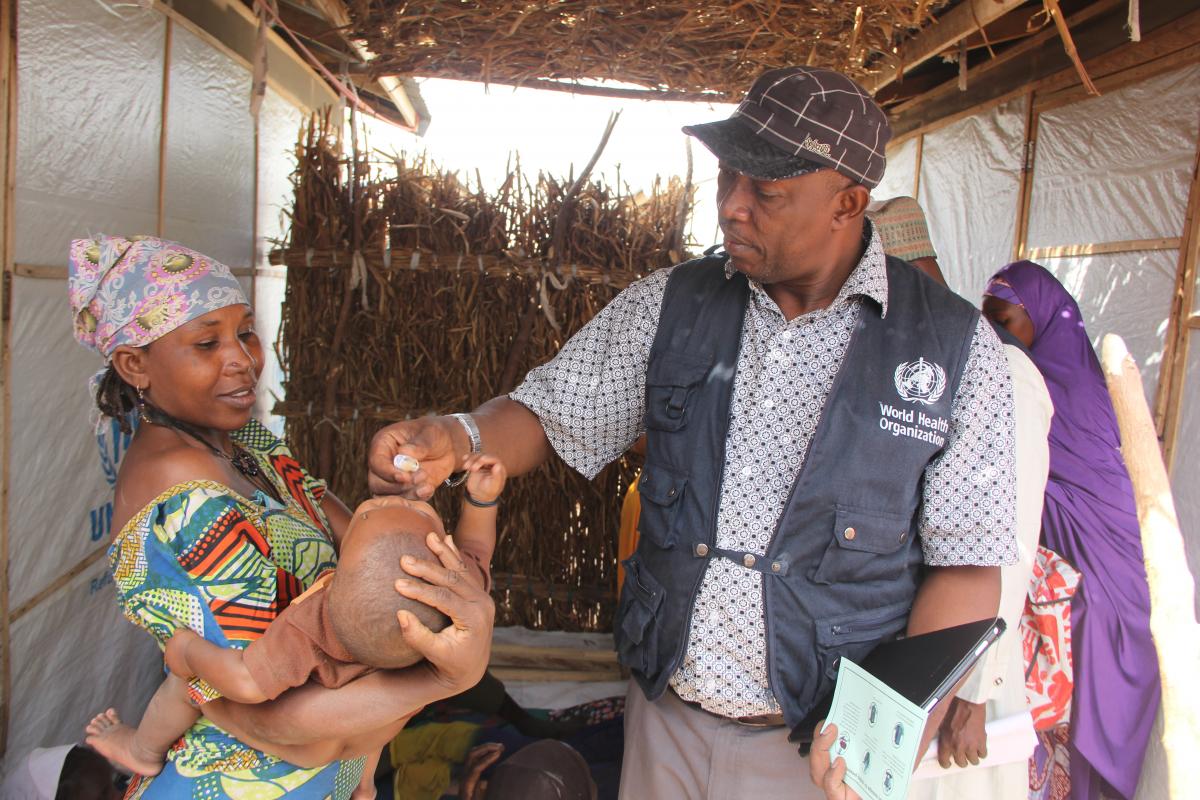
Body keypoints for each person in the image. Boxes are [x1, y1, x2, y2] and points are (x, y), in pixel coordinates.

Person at [365, 66, 1018, 799]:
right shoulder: (671, 306)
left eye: (765, 192)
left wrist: (881, 747)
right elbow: (548, 412)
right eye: (727, 179)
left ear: (849, 202)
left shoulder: (954, 353)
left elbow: (965, 566)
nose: (733, 209)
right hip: (665, 718)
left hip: (818, 746)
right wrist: (459, 436)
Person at [67, 235, 494, 798]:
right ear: (134, 364)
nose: (242, 359)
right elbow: (292, 725)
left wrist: (389, 509)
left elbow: (350, 541)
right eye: (206, 343)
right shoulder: (187, 501)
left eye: (245, 331)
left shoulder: (240, 439)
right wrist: (447, 676)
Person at [86, 452, 503, 794]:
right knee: (383, 710)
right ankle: (365, 788)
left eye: (372, 510)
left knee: (187, 687)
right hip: (366, 737)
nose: (402, 499)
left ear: (337, 572)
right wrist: (481, 502)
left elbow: (248, 682)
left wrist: (187, 651)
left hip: (303, 748)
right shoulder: (446, 605)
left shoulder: (314, 621)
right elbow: (476, 557)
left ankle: (141, 748)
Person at [869, 198, 1051, 798]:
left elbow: (1013, 540)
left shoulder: (1003, 371)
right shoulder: (913, 357)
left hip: (967, 666)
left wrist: (971, 689)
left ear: (909, 269)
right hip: (915, 644)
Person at [983, 261, 1160, 800]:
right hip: (1076, 579)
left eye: (1006, 322)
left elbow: (1053, 489)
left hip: (1111, 592)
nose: (995, 336)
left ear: (1042, 318)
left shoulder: (1073, 392)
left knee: (1088, 714)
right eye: (986, 321)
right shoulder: (1025, 385)